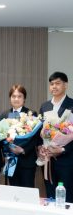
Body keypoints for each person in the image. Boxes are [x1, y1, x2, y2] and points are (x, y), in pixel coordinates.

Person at [39, 72, 73, 201]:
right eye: (52, 84)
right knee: (50, 194)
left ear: (66, 85)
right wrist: (41, 147)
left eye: (58, 83)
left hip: (67, 160)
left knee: (68, 195)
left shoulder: (72, 104)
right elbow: (41, 131)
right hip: (49, 159)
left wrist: (63, 149)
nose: (54, 86)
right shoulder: (45, 106)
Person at [0, 85, 38, 188]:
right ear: (10, 98)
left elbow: (35, 138)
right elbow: (1, 137)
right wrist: (7, 151)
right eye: (13, 96)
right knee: (13, 192)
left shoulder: (31, 114)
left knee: (27, 192)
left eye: (19, 96)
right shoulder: (4, 115)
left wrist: (23, 149)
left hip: (26, 160)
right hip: (11, 160)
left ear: (24, 98)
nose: (16, 99)